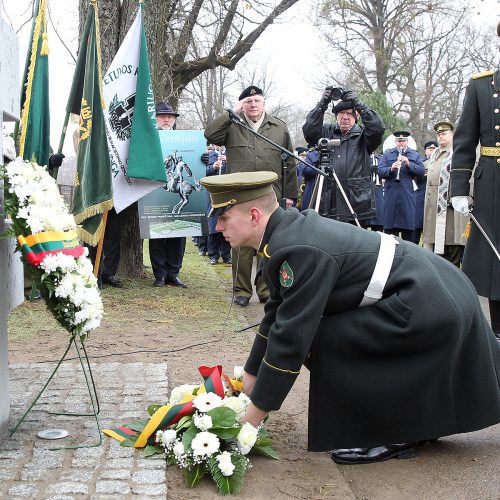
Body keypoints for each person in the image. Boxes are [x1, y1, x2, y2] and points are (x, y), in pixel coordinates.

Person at [200, 170, 500, 465]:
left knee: (321, 337)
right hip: (427, 287)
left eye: (224, 217)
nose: (218, 226)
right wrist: (249, 384)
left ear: (254, 215)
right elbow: (276, 314)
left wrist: (249, 423)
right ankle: (411, 423)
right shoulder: (283, 236)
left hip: (428, 299)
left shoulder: (298, 248)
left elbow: (291, 338)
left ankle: (395, 433)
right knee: (321, 332)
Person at [204, 85, 298, 307]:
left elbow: (289, 163)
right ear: (242, 105)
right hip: (239, 196)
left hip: (269, 196)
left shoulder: (279, 127)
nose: (253, 105)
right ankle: (241, 290)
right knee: (241, 243)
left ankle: (265, 289)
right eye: (248, 101)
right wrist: (231, 113)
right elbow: (210, 134)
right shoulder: (232, 125)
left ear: (264, 103)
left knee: (268, 243)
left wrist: (291, 195)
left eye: (257, 100)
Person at [450, 25, 500, 341]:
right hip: (493, 182)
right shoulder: (482, 85)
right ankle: (497, 334)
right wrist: (458, 188)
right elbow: (465, 140)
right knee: (496, 263)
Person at [302, 88, 385, 226]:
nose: (345, 117)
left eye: (349, 114)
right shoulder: (326, 132)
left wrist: (359, 104)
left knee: (356, 245)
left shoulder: (364, 137)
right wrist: (322, 104)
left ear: (357, 117)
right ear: (336, 116)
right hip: (328, 203)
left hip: (357, 204)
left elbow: (378, 128)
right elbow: (309, 131)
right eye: (341, 113)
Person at [149, 101, 187, 288]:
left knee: (178, 233)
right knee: (157, 234)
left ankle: (174, 273)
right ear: (155, 118)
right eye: (162, 116)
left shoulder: (183, 140)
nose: (166, 119)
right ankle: (160, 274)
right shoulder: (149, 138)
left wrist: (202, 158)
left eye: (170, 116)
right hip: (155, 191)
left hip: (175, 184)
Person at [423, 122, 467, 266]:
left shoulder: (456, 152)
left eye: (444, 133)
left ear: (452, 135)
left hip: (450, 210)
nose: (440, 136)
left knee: (451, 249)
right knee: (435, 252)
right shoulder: (435, 154)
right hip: (433, 210)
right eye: (439, 134)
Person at [378, 131, 425, 241]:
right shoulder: (387, 155)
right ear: (395, 142)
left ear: (407, 142)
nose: (401, 143)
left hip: (407, 196)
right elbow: (380, 171)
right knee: (390, 233)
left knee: (408, 231)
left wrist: (409, 164)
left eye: (403, 141)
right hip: (391, 196)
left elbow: (422, 172)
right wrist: (391, 169)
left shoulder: (415, 155)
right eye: (399, 141)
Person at [205, 150, 231, 265]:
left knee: (227, 225)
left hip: (228, 194)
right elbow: (202, 171)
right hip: (212, 195)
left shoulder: (231, 153)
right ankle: (213, 255)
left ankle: (226, 255)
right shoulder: (208, 155)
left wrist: (228, 162)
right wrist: (213, 167)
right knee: (213, 226)